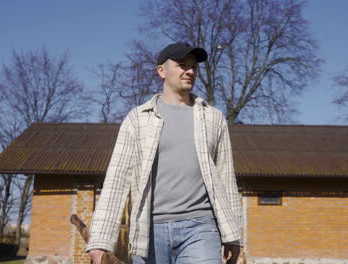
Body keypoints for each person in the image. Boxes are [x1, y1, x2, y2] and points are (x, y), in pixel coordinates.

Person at [86, 42, 242, 264]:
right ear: (161, 71)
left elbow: (226, 178)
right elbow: (117, 180)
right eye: (181, 65)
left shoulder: (213, 118)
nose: (189, 71)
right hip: (149, 231)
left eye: (193, 67)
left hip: (201, 228)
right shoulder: (138, 119)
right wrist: (100, 241)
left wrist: (233, 235)